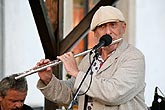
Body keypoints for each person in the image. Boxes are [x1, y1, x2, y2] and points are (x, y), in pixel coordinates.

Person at [36, 6, 148, 110]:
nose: (108, 32)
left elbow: (114, 93)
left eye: (113, 25)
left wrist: (76, 72)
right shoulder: (90, 59)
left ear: (123, 28)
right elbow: (72, 94)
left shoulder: (133, 58)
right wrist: (48, 79)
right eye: (102, 27)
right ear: (95, 33)